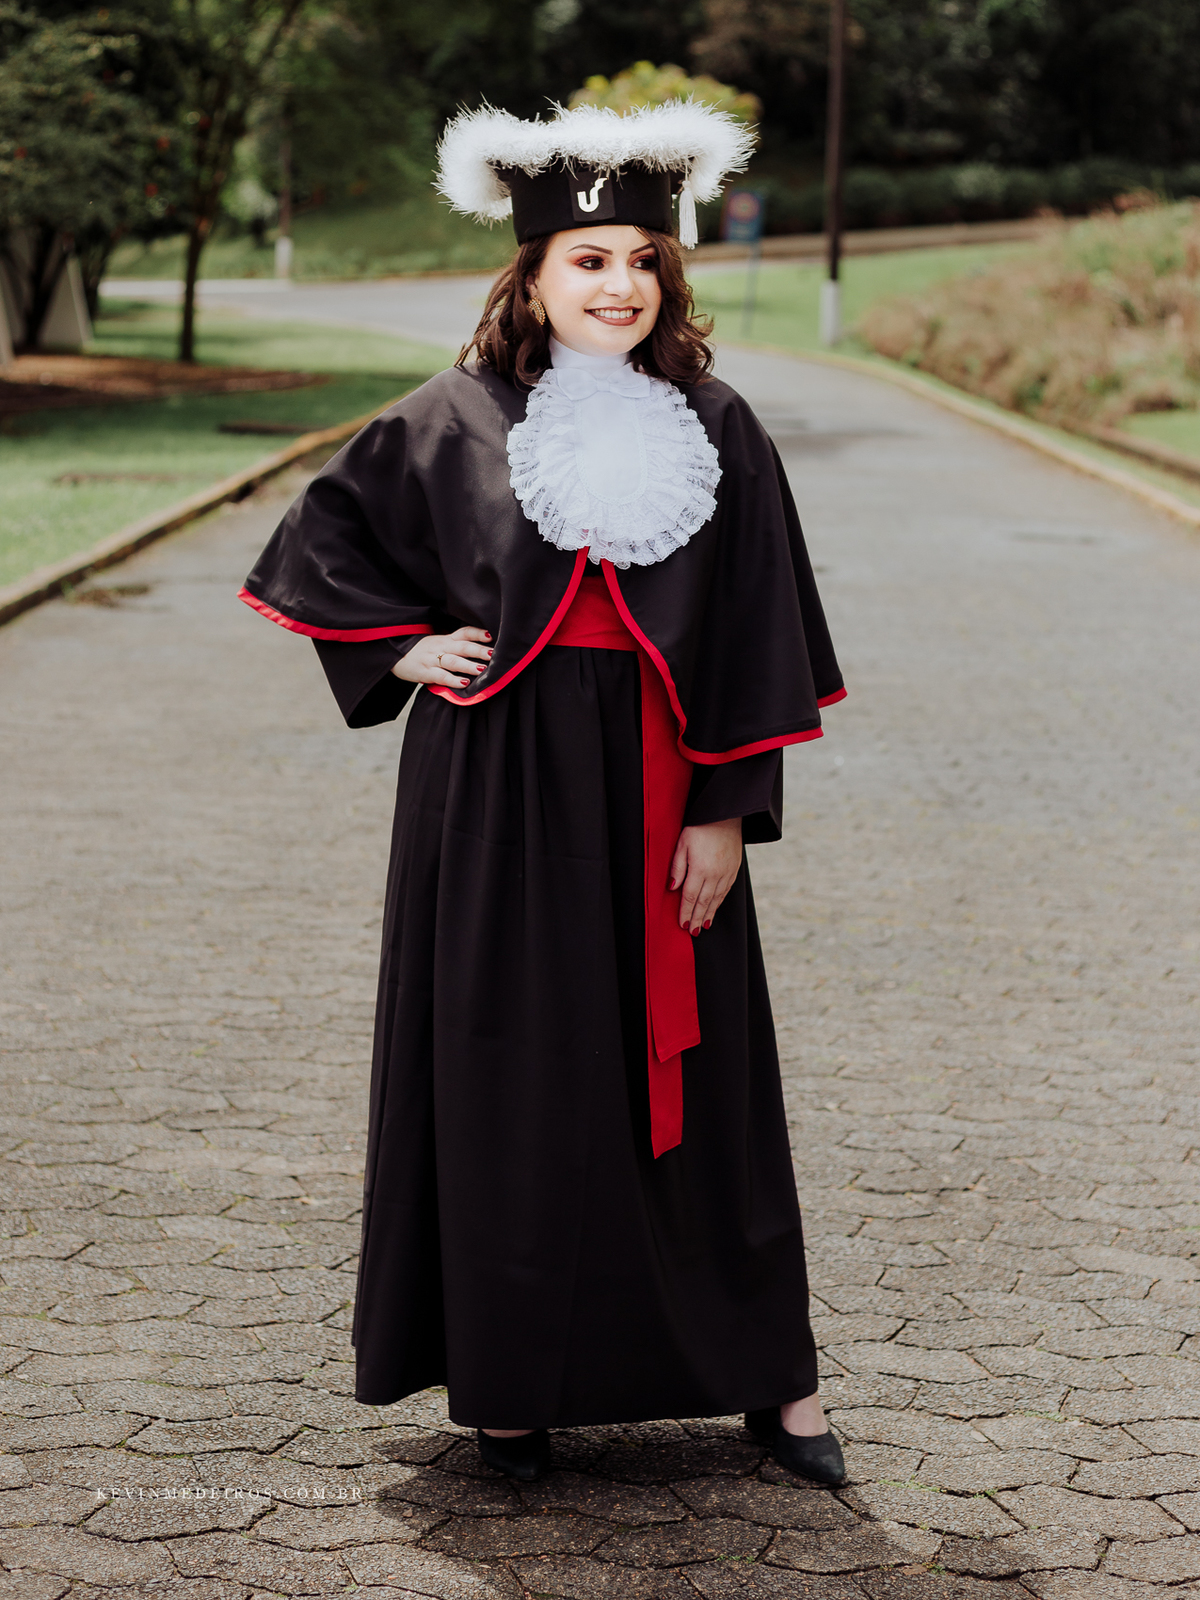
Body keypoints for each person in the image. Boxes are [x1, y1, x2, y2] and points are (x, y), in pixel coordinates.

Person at [239, 100, 847, 1486]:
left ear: (668, 277)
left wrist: (722, 808)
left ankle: (772, 1381)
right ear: (528, 276)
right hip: (492, 786)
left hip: (657, 789)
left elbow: (756, 624)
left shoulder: (719, 425)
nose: (619, 282)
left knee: (703, 1080)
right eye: (588, 259)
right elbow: (318, 539)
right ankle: (512, 1382)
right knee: (508, 1073)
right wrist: (400, 642)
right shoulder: (450, 418)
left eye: (642, 257)